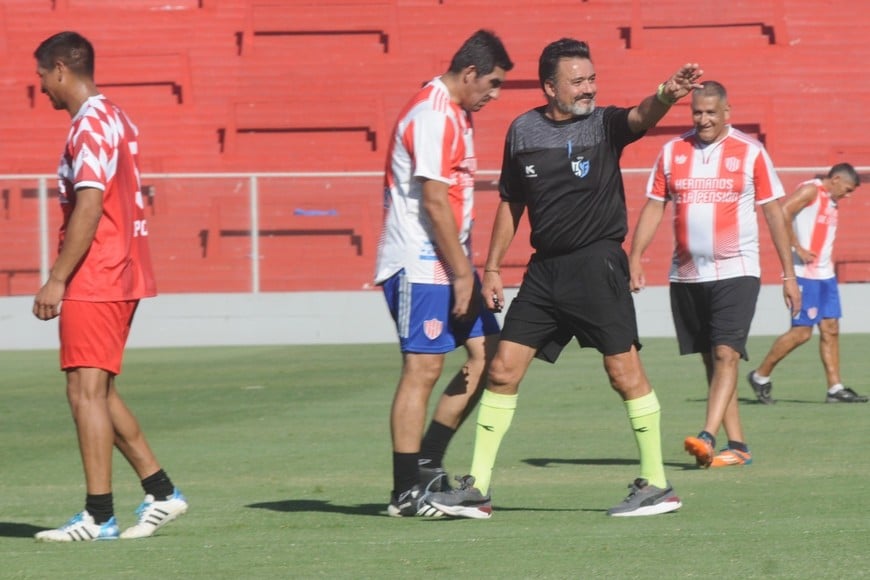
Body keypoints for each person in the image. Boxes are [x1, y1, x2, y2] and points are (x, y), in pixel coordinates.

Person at [425, 38, 701, 519]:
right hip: (544, 271)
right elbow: (512, 202)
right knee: (503, 369)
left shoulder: (604, 124)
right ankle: (478, 489)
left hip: (598, 264)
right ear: (550, 87)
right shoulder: (523, 130)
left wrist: (667, 93)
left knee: (624, 373)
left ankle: (657, 483)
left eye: (592, 78)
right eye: (578, 81)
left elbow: (640, 117)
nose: (589, 88)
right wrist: (492, 267)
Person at [31, 31, 187, 542]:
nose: (42, 90)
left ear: (60, 69)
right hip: (119, 268)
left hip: (98, 272)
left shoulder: (90, 124)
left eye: (41, 79)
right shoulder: (115, 115)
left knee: (84, 392)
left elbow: (92, 203)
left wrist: (57, 278)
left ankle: (99, 515)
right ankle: (161, 492)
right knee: (99, 388)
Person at [374, 29, 513, 517]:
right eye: (492, 84)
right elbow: (433, 202)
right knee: (424, 367)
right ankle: (404, 491)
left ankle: (429, 460)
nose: (494, 95)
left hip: (449, 262)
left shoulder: (456, 112)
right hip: (420, 261)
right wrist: (461, 274)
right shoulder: (432, 114)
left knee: (493, 357)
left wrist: (467, 269)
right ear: (469, 73)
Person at [629, 80, 802, 469]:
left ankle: (706, 434)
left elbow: (774, 213)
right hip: (688, 274)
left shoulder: (751, 152)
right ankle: (737, 445)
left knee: (726, 353)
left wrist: (788, 274)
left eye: (711, 112)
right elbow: (655, 206)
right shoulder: (674, 151)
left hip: (737, 269)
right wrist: (635, 256)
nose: (704, 119)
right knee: (713, 359)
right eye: (698, 112)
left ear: (727, 113)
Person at [748, 164, 867, 404]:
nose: (848, 195)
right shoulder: (811, 191)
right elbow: (783, 212)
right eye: (847, 189)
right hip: (805, 274)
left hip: (825, 275)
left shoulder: (831, 199)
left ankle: (835, 388)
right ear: (834, 179)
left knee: (831, 329)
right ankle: (760, 376)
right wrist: (797, 246)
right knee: (802, 333)